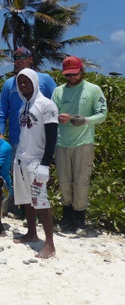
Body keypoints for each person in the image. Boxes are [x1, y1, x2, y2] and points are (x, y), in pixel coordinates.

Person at [51, 56, 107, 236]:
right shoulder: (58, 91)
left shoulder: (93, 89)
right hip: (62, 144)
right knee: (64, 182)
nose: (71, 78)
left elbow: (103, 114)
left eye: (74, 74)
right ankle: (66, 219)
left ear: (82, 71)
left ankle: (80, 221)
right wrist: (58, 117)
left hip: (84, 143)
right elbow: (51, 114)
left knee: (81, 182)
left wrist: (86, 121)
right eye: (67, 75)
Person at [12, 69, 58, 259]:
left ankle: (50, 244)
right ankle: (31, 233)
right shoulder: (23, 106)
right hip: (22, 159)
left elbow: (52, 136)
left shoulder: (46, 105)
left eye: (26, 81)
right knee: (26, 199)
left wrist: (46, 164)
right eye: (20, 82)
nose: (23, 85)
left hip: (37, 161)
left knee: (41, 202)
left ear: (34, 82)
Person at [0, 47, 57, 158]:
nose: (19, 60)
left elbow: (57, 103)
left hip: (39, 138)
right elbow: (2, 111)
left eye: (23, 57)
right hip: (16, 139)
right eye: (16, 58)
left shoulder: (45, 79)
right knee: (17, 173)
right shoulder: (8, 84)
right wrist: (1, 132)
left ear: (30, 59)